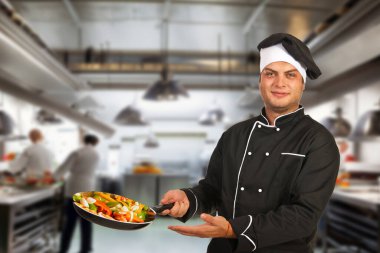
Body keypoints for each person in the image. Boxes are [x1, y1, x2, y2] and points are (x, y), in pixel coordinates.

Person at [160, 33, 340, 253]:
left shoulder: (317, 140)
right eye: (270, 74)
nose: (279, 83)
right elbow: (213, 189)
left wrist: (232, 229)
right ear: (260, 81)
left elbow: (304, 216)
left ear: (302, 83)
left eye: (290, 75)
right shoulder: (234, 135)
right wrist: (188, 198)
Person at [54, 134, 100, 253]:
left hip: (75, 189)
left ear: (83, 140)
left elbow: (63, 169)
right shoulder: (96, 154)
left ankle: (63, 249)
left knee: (70, 222)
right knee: (87, 222)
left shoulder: (77, 152)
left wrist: (54, 177)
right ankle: (86, 248)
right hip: (89, 190)